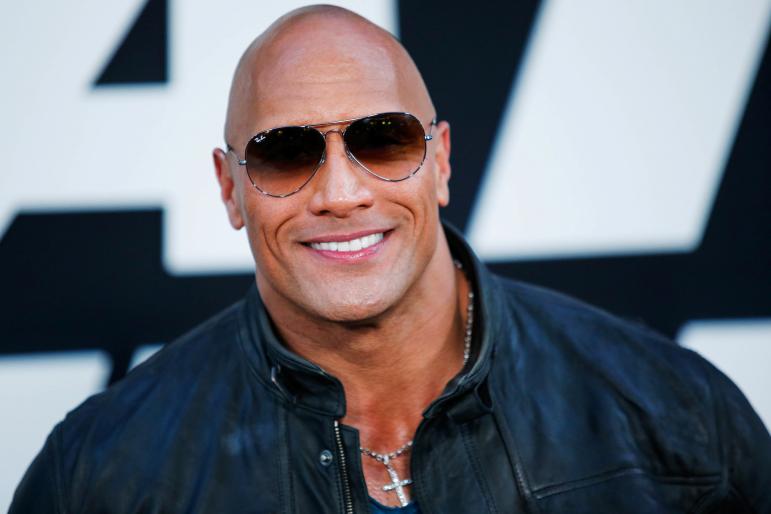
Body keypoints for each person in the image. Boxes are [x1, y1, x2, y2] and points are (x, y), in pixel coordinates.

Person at [10, 5, 771, 514]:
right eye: (284, 154)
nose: (341, 194)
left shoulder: (677, 415)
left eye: (383, 140)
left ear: (440, 161)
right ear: (229, 187)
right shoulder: (101, 472)